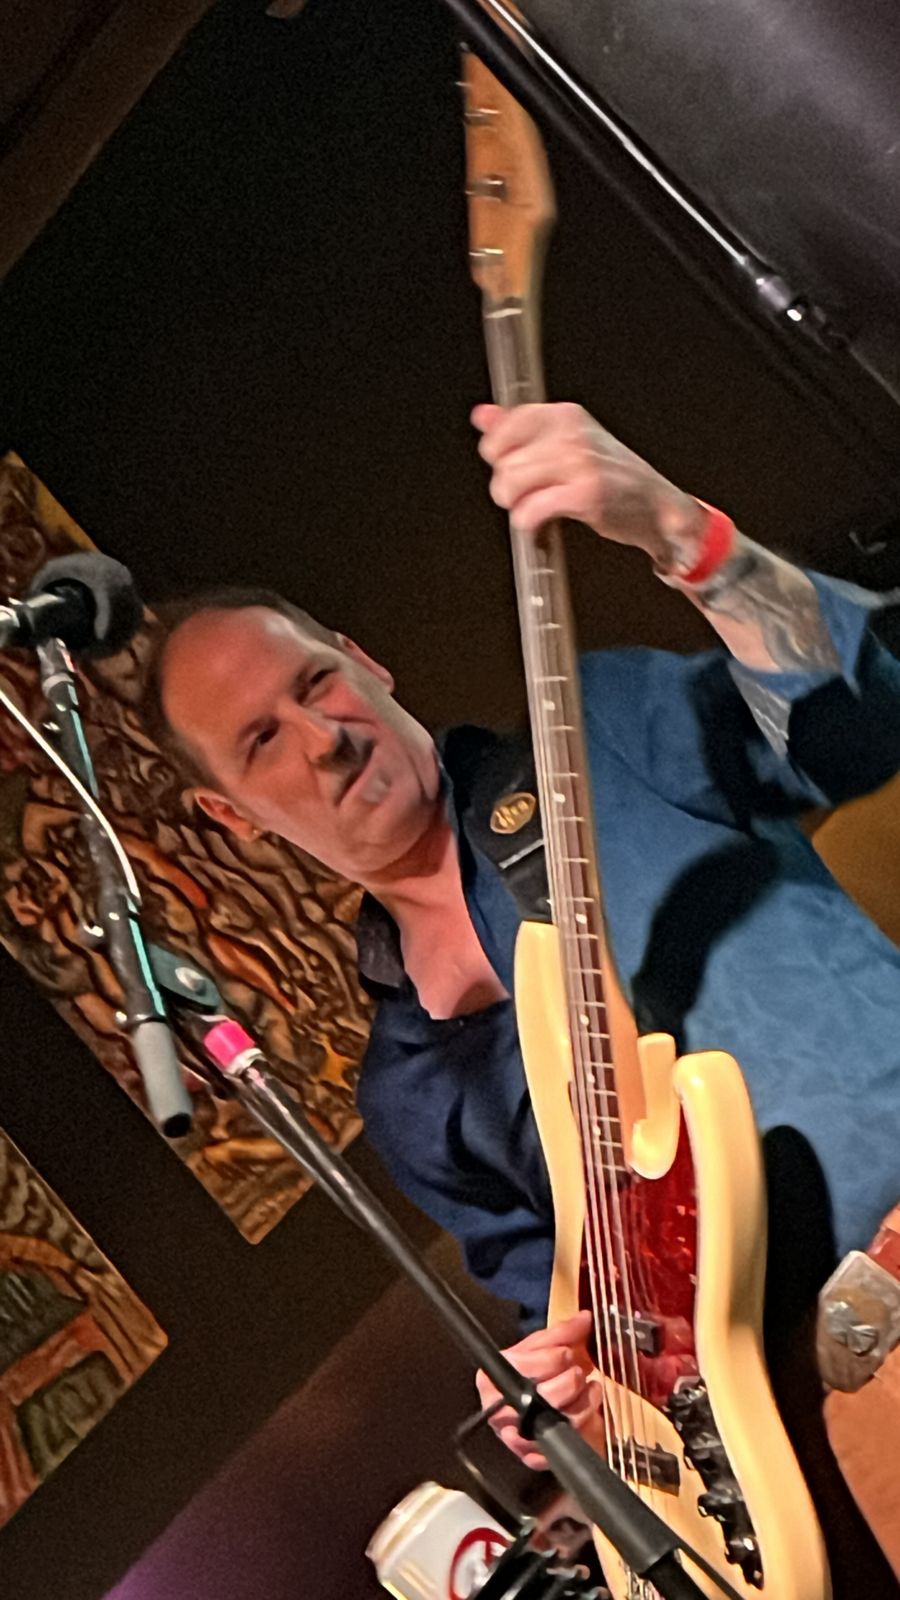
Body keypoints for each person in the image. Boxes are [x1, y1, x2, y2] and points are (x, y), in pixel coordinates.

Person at [143, 400, 900, 1475]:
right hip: (832, 1433)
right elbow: (586, 1322)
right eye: (262, 740)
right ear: (233, 815)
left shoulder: (590, 736)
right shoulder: (408, 1093)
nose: (322, 739)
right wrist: (564, 1400)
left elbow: (861, 725)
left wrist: (683, 533)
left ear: (365, 661)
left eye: (316, 682)